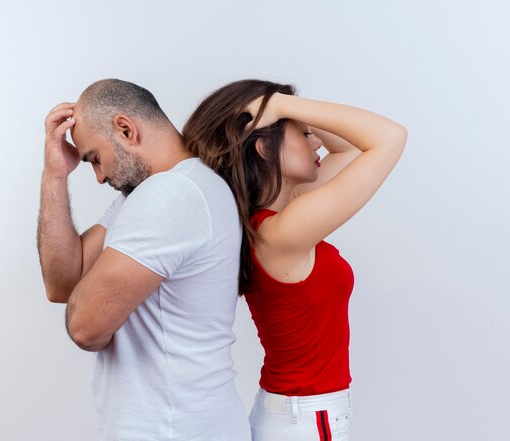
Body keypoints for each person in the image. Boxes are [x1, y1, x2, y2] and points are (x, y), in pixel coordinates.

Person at [183, 79, 407, 441]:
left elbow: (349, 153)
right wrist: (283, 106)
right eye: (304, 135)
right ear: (265, 150)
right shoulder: (280, 234)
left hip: (299, 415)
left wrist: (284, 110)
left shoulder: (276, 221)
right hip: (304, 420)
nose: (317, 140)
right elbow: (389, 138)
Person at [37, 79, 251, 441]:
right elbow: (61, 283)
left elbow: (85, 327)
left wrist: (96, 306)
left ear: (125, 129)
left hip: (175, 429)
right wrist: (54, 174)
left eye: (95, 158)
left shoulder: (171, 195)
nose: (100, 175)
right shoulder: (146, 196)